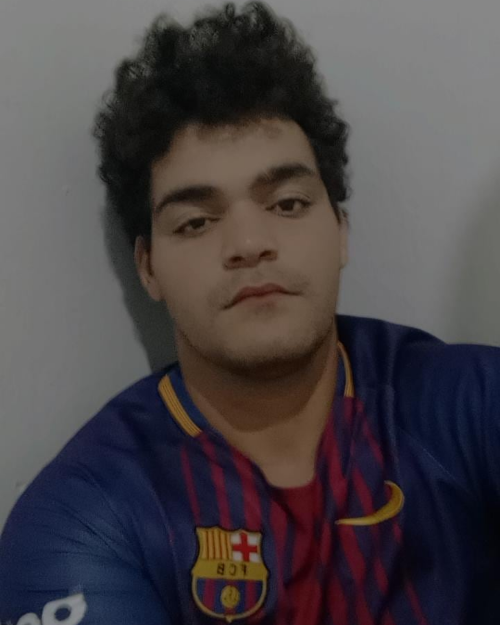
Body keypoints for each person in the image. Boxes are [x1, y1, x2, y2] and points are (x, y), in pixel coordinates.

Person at [1, 2, 499, 623]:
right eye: (196, 222)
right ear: (149, 268)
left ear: (341, 232)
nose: (248, 243)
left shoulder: (469, 405)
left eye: (287, 204)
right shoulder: (86, 516)